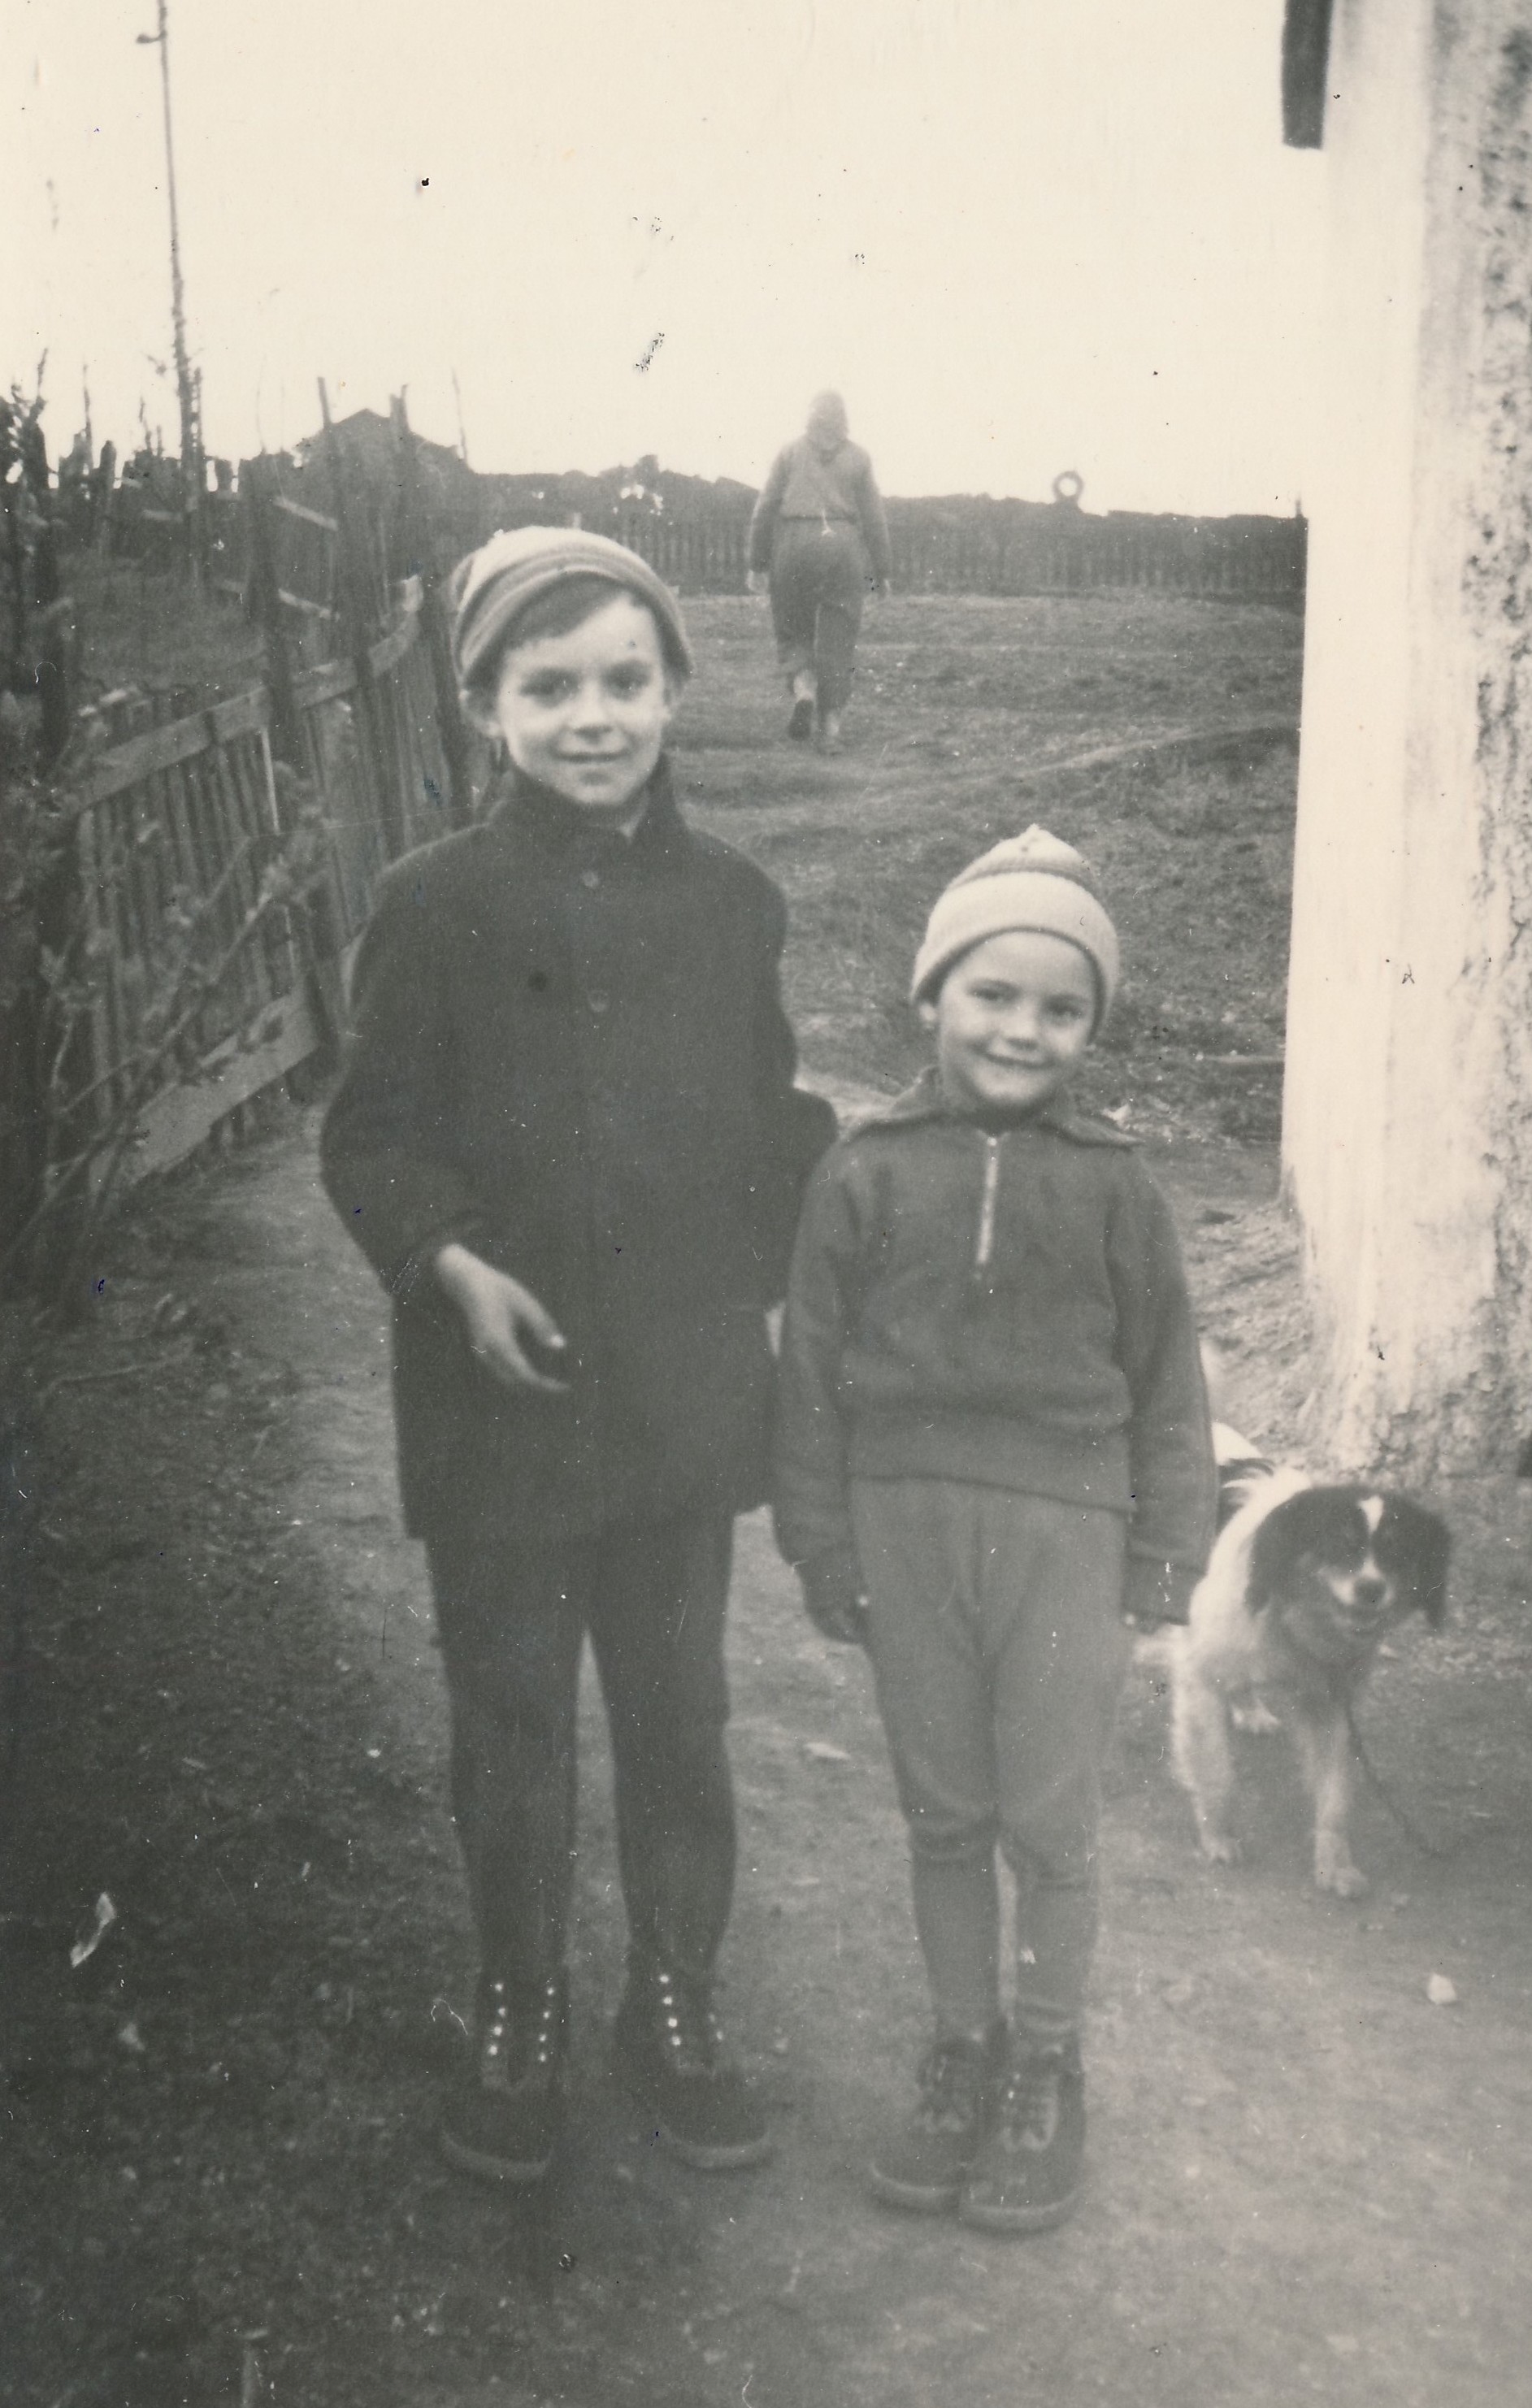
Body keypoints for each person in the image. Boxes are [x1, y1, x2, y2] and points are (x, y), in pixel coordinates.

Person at [320, 525, 835, 2187]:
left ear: (676, 685)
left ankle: (672, 2000)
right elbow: (371, 1133)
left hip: (679, 1401)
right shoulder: (431, 904)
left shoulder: (734, 903)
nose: (593, 715)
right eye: (549, 687)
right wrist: (448, 1263)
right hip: (500, 1406)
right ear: (487, 708)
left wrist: (844, 1215)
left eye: (625, 678)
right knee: (514, 1720)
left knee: (680, 1712)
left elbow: (769, 1121)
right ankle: (519, 2001)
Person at [774, 827, 1214, 2232]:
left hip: (1066, 1533)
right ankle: (963, 2046)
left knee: (1049, 1815)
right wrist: (820, 1540)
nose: (1024, 1029)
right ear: (933, 996)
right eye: (993, 994)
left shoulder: (1116, 1184)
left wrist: (1168, 1551)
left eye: (1061, 1007)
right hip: (903, 1525)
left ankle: (1047, 2058)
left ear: (1091, 1025)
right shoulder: (864, 1169)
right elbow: (811, 1368)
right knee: (947, 1809)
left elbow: (1169, 1378)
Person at [747, 391, 892, 754]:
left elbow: (765, 508)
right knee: (839, 637)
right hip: (842, 544)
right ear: (844, 418)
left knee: (792, 627)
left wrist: (757, 562)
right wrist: (882, 571)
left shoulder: (790, 452)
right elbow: (874, 517)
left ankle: (804, 689)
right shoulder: (859, 457)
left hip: (795, 542)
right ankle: (830, 732)